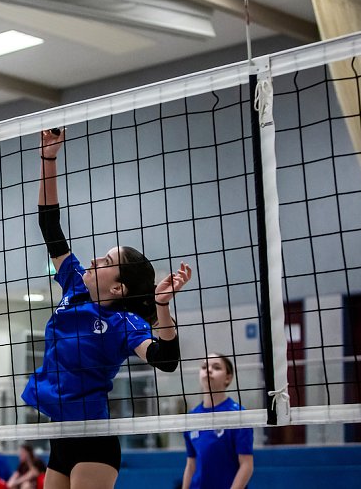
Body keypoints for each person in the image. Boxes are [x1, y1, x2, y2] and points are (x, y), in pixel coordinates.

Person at [21, 129, 193, 489]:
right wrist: (48, 158)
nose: (96, 259)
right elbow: (49, 225)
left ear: (118, 287)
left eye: (107, 260)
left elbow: (165, 359)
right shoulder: (74, 283)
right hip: (61, 433)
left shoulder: (123, 323)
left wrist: (162, 307)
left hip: (94, 439)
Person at [182, 354, 253, 489]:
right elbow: (191, 465)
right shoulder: (191, 417)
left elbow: (247, 465)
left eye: (216, 367)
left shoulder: (238, 415)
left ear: (228, 378)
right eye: (204, 367)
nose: (208, 370)